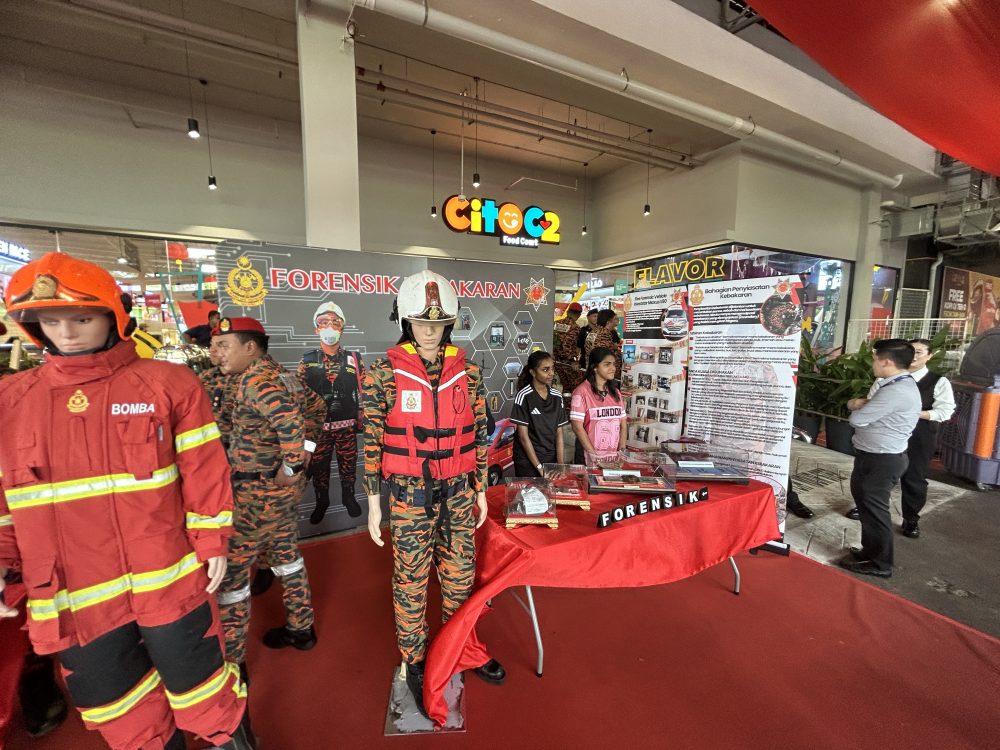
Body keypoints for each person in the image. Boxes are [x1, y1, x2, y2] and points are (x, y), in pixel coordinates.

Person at [0, 253, 252, 750]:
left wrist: (212, 538)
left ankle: (231, 738)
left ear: (113, 316)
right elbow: (7, 494)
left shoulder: (166, 384)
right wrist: (5, 557)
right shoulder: (11, 400)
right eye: (51, 321)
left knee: (202, 685)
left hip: (165, 572)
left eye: (81, 319)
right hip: (74, 592)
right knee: (120, 707)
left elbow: (203, 468)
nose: (66, 333)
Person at [362, 269, 505, 718]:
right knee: (411, 582)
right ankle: (416, 658)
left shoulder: (470, 372)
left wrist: (480, 490)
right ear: (406, 321)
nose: (429, 330)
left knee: (460, 579)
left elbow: (478, 435)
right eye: (422, 322)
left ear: (450, 323)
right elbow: (372, 441)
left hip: (460, 494)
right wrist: (373, 503)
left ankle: (461, 646)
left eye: (438, 322)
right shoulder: (382, 375)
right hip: (409, 498)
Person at [213, 317, 325, 675]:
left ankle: (232, 664)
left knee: (231, 579)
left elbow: (290, 423)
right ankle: (301, 628)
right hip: (280, 496)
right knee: (287, 556)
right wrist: (305, 454)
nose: (216, 353)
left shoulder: (255, 381)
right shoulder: (283, 376)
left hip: (255, 496)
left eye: (223, 345)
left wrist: (292, 466)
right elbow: (316, 409)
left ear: (250, 347)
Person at [844, 338, 955, 537]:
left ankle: (910, 519)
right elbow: (872, 404)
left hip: (919, 434)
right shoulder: (886, 380)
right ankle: (867, 509)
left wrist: (909, 412)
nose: (914, 356)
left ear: (929, 356)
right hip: (882, 437)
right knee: (873, 486)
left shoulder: (937, 382)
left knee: (914, 478)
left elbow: (945, 411)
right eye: (912, 351)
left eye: (919, 352)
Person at [838, 339, 920, 579]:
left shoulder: (896, 391)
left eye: (875, 359)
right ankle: (870, 551)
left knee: (875, 511)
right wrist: (858, 407)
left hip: (882, 460)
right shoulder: (893, 384)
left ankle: (880, 563)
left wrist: (854, 406)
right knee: (866, 505)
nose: (872, 363)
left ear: (887, 362)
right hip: (874, 456)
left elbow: (857, 419)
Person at [298, 302, 365, 523]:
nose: (330, 326)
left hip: (346, 426)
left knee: (348, 465)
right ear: (316, 329)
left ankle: (348, 496)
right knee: (319, 468)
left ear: (342, 328)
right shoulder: (307, 361)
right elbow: (298, 394)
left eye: (335, 322)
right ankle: (322, 501)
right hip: (318, 430)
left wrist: (363, 412)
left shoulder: (354, 359)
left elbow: (365, 389)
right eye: (324, 322)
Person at [511, 351, 569, 476]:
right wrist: (540, 468)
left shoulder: (557, 396)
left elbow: (559, 433)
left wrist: (560, 465)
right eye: (545, 370)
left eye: (552, 368)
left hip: (550, 458)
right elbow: (523, 437)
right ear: (533, 372)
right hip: (527, 461)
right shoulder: (523, 396)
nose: (551, 373)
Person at [570, 346, 628, 464]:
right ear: (595, 367)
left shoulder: (616, 393)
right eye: (607, 364)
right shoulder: (580, 392)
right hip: (588, 459)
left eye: (614, 364)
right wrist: (595, 457)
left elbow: (623, 424)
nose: (613, 368)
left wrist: (622, 451)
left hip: (612, 458)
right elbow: (577, 427)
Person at [200, 335, 237, 451]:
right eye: (211, 344)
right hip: (210, 448)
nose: (212, 350)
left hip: (239, 450)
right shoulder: (205, 377)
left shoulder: (250, 379)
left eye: (221, 345)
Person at [552, 302, 584, 400]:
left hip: (556, 361)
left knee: (565, 386)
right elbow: (569, 346)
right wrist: (573, 360)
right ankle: (574, 406)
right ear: (579, 315)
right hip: (569, 364)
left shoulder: (556, 324)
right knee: (576, 387)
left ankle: (565, 404)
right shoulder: (576, 328)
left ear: (568, 311)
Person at [585, 310, 623, 379]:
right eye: (615, 319)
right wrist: (618, 353)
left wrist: (613, 346)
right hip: (601, 375)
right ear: (608, 322)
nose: (617, 322)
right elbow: (606, 357)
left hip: (592, 371)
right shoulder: (604, 334)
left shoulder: (594, 331)